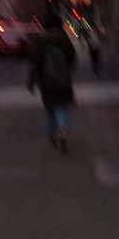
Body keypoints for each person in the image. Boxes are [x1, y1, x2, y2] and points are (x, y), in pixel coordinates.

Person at [27, 11, 76, 153]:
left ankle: (50, 135)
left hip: (46, 81)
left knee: (49, 108)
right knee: (62, 106)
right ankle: (63, 129)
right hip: (63, 79)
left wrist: (31, 82)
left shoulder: (40, 41)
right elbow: (72, 58)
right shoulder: (64, 39)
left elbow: (34, 63)